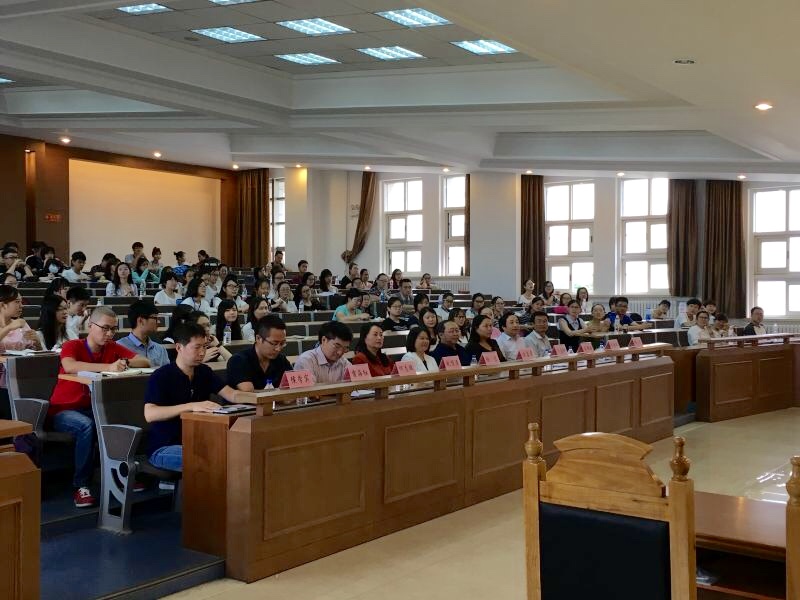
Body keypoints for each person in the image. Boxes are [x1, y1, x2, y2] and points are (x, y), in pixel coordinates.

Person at [49, 306, 149, 507]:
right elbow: (70, 366)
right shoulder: (73, 345)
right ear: (90, 325)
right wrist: (108, 367)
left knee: (121, 419)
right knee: (86, 425)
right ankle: (81, 486)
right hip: (64, 410)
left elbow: (145, 361)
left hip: (95, 407)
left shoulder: (112, 347)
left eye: (113, 329)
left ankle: (121, 474)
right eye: (105, 328)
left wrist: (124, 363)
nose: (110, 334)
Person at [144, 323, 237, 472]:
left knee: (235, 452)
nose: (202, 353)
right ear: (179, 347)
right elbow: (150, 414)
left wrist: (263, 396)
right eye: (197, 347)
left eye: (205, 347)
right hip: (164, 446)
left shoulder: (204, 372)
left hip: (198, 441)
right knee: (209, 458)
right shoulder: (161, 376)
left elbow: (232, 394)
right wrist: (191, 406)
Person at [227, 314, 292, 391]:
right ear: (258, 339)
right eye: (274, 343)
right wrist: (280, 392)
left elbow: (294, 386)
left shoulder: (281, 360)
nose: (278, 349)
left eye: (282, 343)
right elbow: (248, 393)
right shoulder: (238, 361)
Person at [117, 300, 170, 367]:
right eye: (155, 318)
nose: (159, 321)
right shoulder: (118, 347)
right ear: (141, 320)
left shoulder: (161, 350)